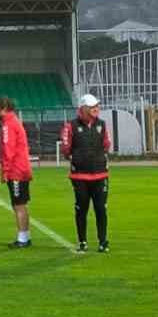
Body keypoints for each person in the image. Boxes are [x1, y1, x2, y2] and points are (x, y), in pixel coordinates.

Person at [62, 94, 112, 253]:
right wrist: (78, 158)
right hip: (80, 176)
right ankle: (82, 241)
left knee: (101, 208)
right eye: (92, 106)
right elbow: (65, 149)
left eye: (96, 105)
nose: (96, 109)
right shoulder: (71, 126)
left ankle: (103, 241)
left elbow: (106, 144)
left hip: (100, 175)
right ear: (83, 109)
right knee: (81, 208)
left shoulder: (102, 125)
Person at [0, 97, 34, 249]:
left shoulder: (8, 125)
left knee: (18, 205)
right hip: (21, 168)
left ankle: (23, 238)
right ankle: (25, 236)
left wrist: (5, 171)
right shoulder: (12, 122)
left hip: (16, 170)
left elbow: (8, 150)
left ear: (4, 109)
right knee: (21, 204)